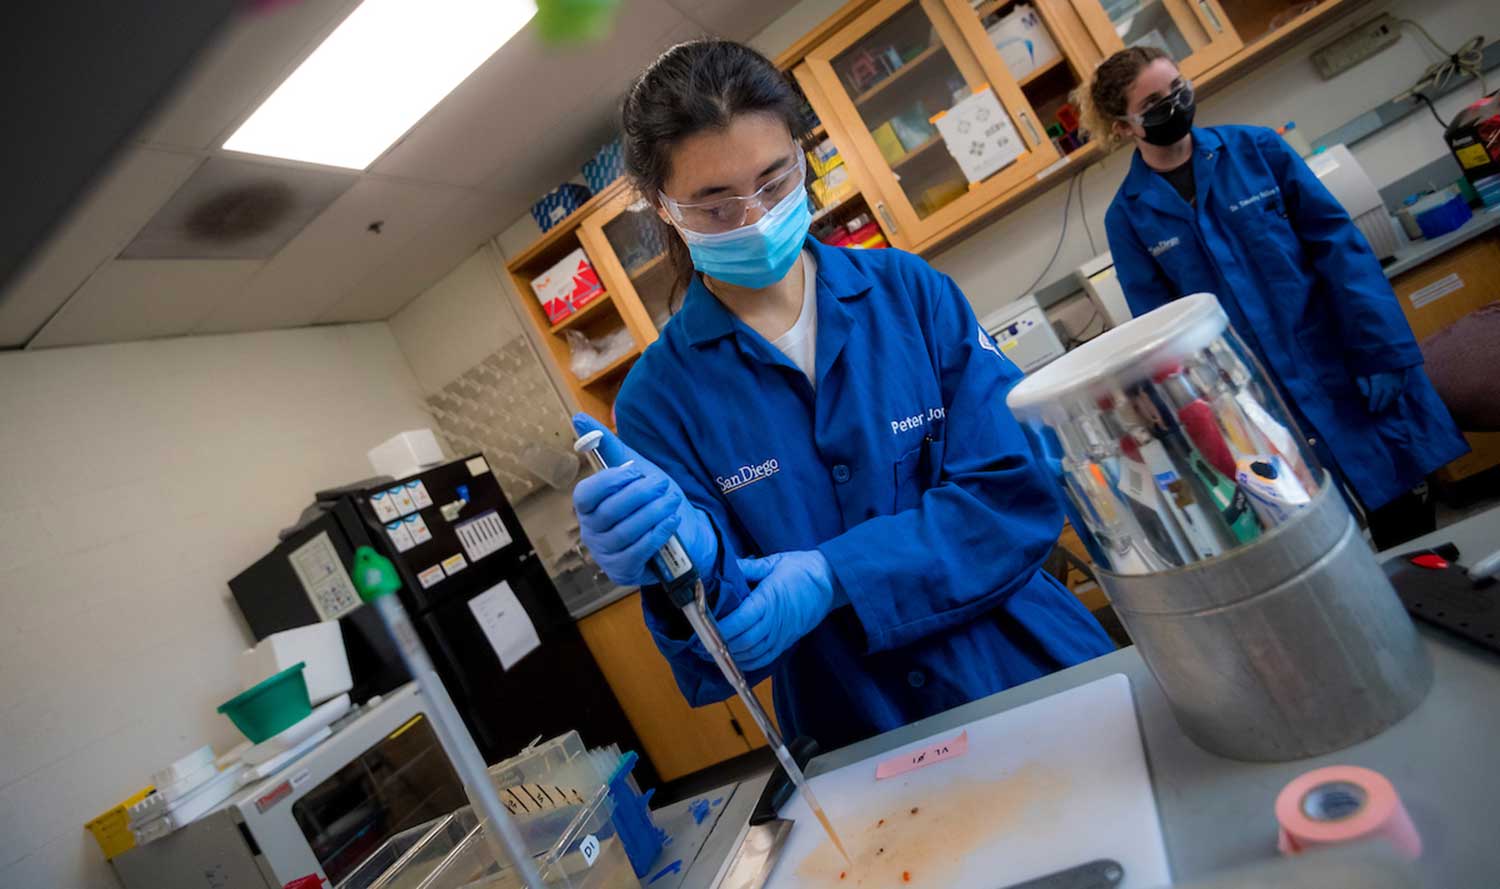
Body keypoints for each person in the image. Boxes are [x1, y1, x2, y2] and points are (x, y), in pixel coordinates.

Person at [571, 40, 1113, 751]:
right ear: (661, 208)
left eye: (774, 180)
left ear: (802, 153)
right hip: (864, 730)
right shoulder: (658, 399)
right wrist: (689, 565)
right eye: (714, 205)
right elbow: (722, 652)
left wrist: (834, 575)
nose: (756, 217)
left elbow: (1018, 491)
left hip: (1028, 665)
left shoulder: (908, 293)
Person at [1082, 47, 1469, 549]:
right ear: (1123, 127)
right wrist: (1205, 425)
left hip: (1340, 365)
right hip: (1253, 401)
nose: (1175, 104)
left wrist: (1381, 351)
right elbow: (1162, 334)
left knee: (1409, 517)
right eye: (1154, 102)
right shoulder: (1129, 217)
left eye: (1178, 87)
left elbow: (1341, 252)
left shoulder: (1258, 151)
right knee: (1317, 541)